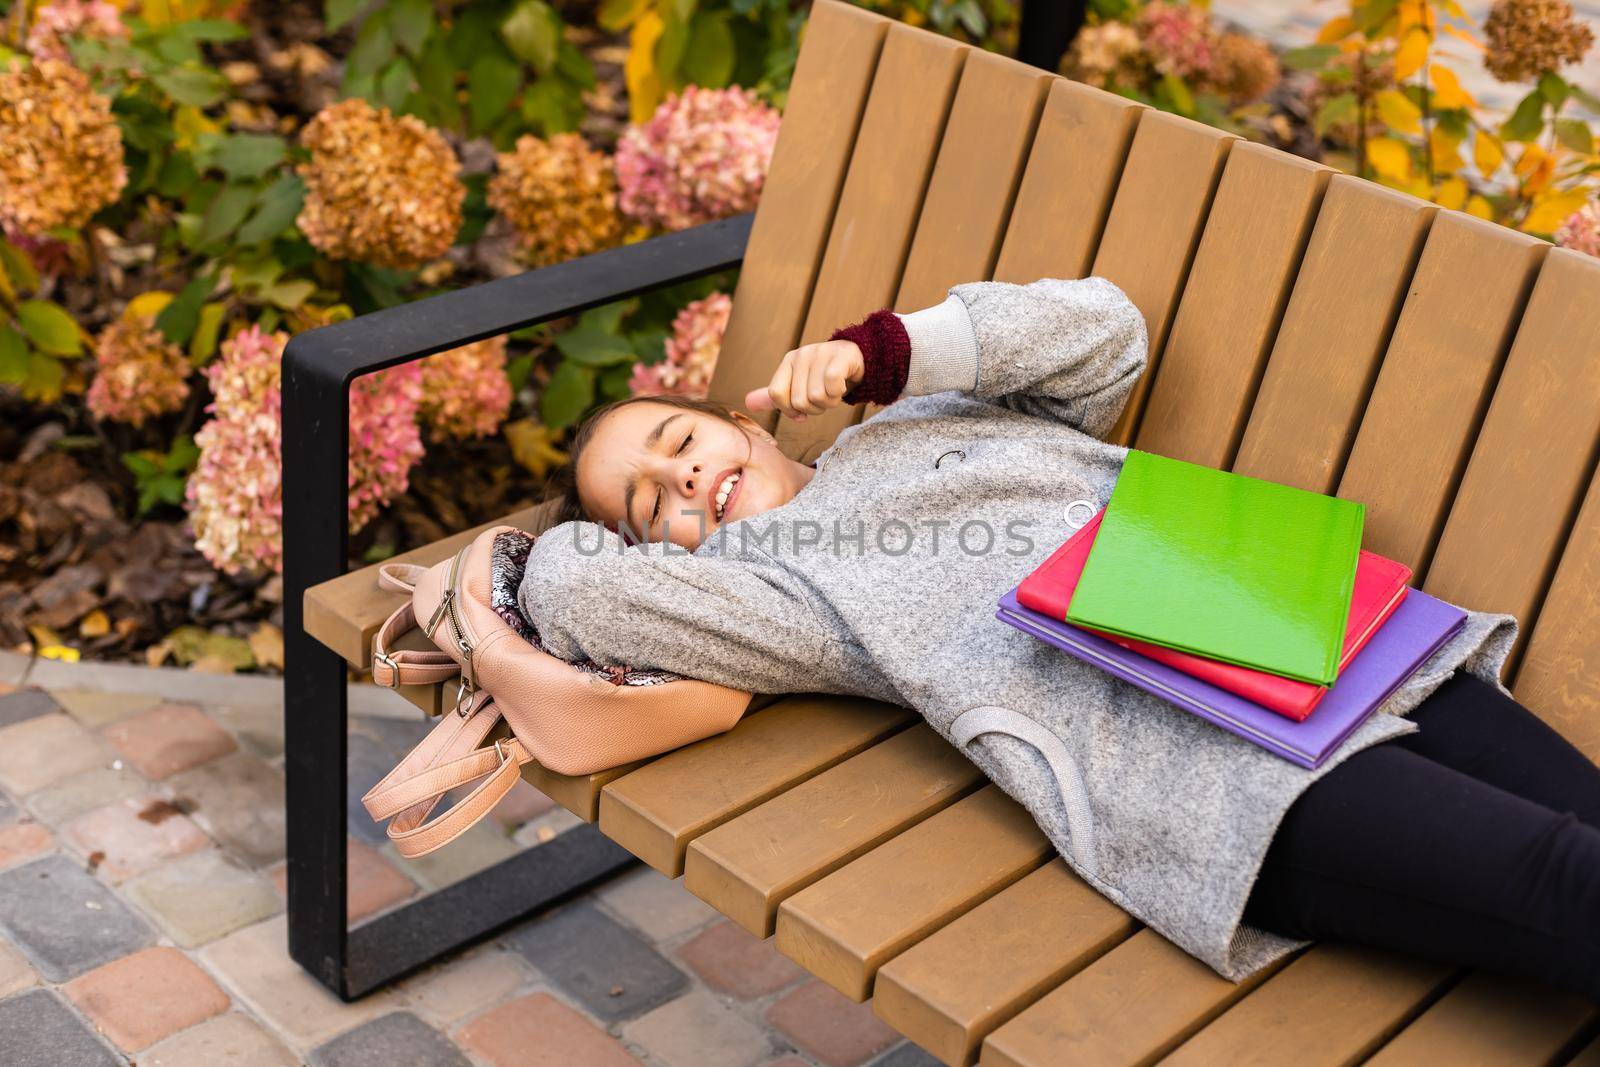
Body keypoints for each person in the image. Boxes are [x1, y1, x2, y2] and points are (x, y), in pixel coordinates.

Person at [522, 276, 1600, 1000]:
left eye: (677, 439)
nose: (681, 480)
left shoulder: (919, 413)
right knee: (1561, 880)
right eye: (646, 502)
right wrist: (577, 548)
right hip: (1208, 771)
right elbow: (577, 588)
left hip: (1315, 636)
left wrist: (884, 356)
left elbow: (1105, 331)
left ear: (742, 420)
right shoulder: (771, 590)